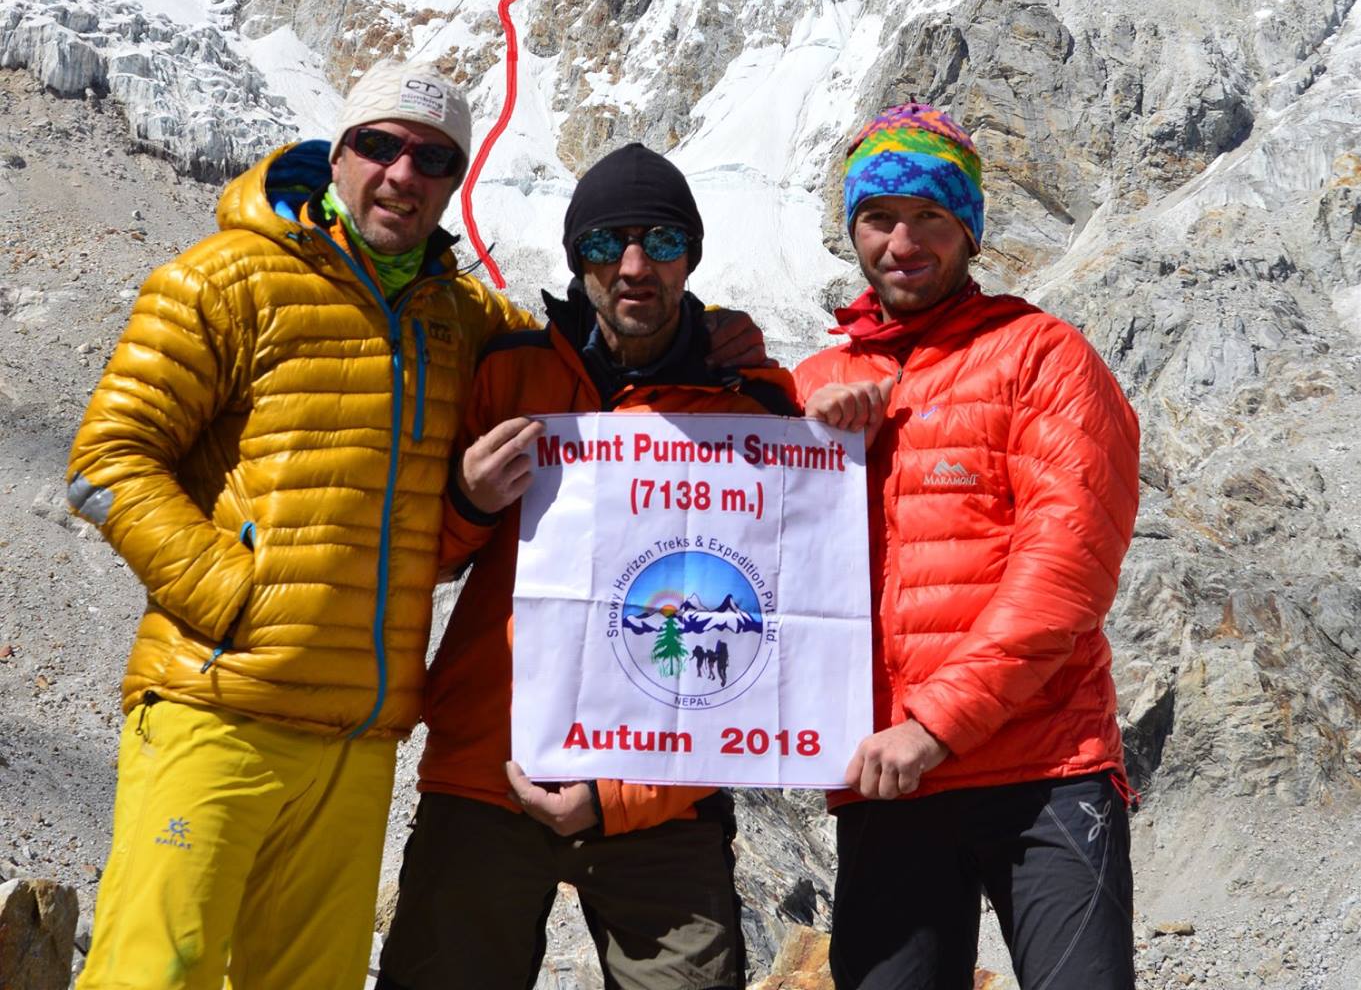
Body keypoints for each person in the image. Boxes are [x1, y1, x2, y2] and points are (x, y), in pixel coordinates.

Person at [66, 61, 532, 990]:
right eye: (380, 145)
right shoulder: (226, 276)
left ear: (455, 181)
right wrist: (237, 601)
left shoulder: (459, 313)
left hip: (358, 744)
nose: (404, 173)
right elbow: (104, 463)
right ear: (338, 154)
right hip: (217, 705)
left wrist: (714, 337)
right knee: (156, 973)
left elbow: (585, 364)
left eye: (434, 158)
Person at [376, 142, 799, 990]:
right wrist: (466, 501)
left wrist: (622, 796)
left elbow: (777, 630)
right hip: (489, 773)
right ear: (577, 259)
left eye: (662, 243)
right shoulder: (509, 373)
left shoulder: (748, 407)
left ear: (693, 258)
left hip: (661, 790)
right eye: (607, 244)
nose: (634, 266)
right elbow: (414, 563)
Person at [797, 104, 1141, 990]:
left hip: (1043, 769)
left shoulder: (1042, 357)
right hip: (886, 778)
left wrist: (933, 726)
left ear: (968, 231)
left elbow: (1065, 571)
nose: (902, 241)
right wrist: (794, 439)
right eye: (878, 218)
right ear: (853, 231)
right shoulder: (815, 383)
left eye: (930, 218)